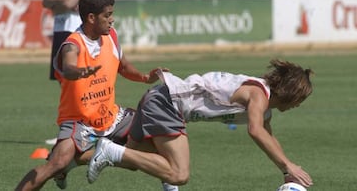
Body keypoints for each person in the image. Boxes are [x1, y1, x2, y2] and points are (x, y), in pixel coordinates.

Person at [15, 0, 168, 190]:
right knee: (56, 163)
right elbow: (69, 66)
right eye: (107, 15)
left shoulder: (111, 36)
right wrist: (79, 71)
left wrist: (145, 77)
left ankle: (83, 159)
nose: (112, 20)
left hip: (112, 117)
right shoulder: (72, 44)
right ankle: (68, 163)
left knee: (158, 143)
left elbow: (122, 66)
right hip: (79, 121)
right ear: (91, 18)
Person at [87, 59, 314, 189]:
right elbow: (255, 131)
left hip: (157, 96)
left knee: (133, 159)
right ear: (290, 93)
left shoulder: (263, 107)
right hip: (167, 102)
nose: (299, 105)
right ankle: (111, 151)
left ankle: (69, 161)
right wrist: (287, 165)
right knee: (179, 173)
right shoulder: (259, 95)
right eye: (300, 100)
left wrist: (287, 170)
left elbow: (268, 136)